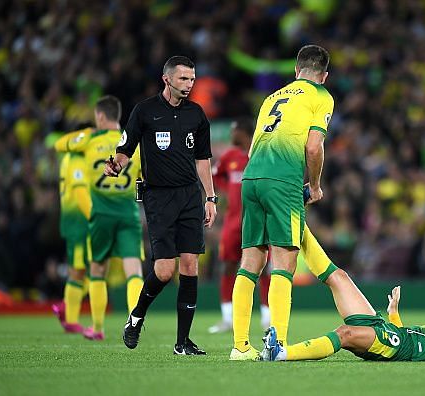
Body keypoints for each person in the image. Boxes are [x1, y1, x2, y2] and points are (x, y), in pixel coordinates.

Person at [107, 55, 217, 356]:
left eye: (192, 79)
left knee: (191, 265)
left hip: (190, 197)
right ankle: (137, 315)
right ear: (166, 79)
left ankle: (183, 343)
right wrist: (116, 164)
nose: (189, 85)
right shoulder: (145, 111)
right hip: (158, 197)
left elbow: (203, 160)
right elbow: (125, 149)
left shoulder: (197, 114)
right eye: (183, 79)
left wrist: (210, 197)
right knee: (166, 270)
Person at [231, 44, 334, 360]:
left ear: (295, 71)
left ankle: (240, 346)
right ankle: (276, 344)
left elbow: (252, 148)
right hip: (282, 181)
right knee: (285, 262)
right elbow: (314, 148)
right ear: (324, 76)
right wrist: (314, 186)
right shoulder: (321, 97)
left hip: (252, 178)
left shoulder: (272, 97)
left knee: (250, 262)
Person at [261, 265, 425, 362]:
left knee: (345, 334)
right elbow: (414, 335)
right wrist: (395, 314)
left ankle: (281, 353)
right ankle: (298, 220)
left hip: (398, 347)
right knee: (339, 277)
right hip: (396, 334)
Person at [55, 96, 145, 340]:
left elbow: (59, 144)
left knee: (97, 270)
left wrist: (84, 134)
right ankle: (134, 324)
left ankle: (97, 327)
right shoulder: (133, 141)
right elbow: (142, 179)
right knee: (133, 270)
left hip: (101, 214)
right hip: (128, 213)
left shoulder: (88, 141)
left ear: (101, 116)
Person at [208, 118, 270, 334]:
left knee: (263, 266)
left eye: (233, 130)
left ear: (242, 132)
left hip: (257, 218)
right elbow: (216, 176)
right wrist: (227, 191)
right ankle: (227, 318)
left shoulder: (260, 153)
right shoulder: (229, 156)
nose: (231, 135)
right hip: (233, 221)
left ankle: (267, 317)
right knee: (228, 265)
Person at [50, 128, 93, 334]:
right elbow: (79, 191)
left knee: (89, 269)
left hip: (74, 221)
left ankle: (66, 306)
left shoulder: (69, 157)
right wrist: (95, 216)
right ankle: (70, 316)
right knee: (79, 270)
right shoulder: (76, 159)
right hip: (78, 222)